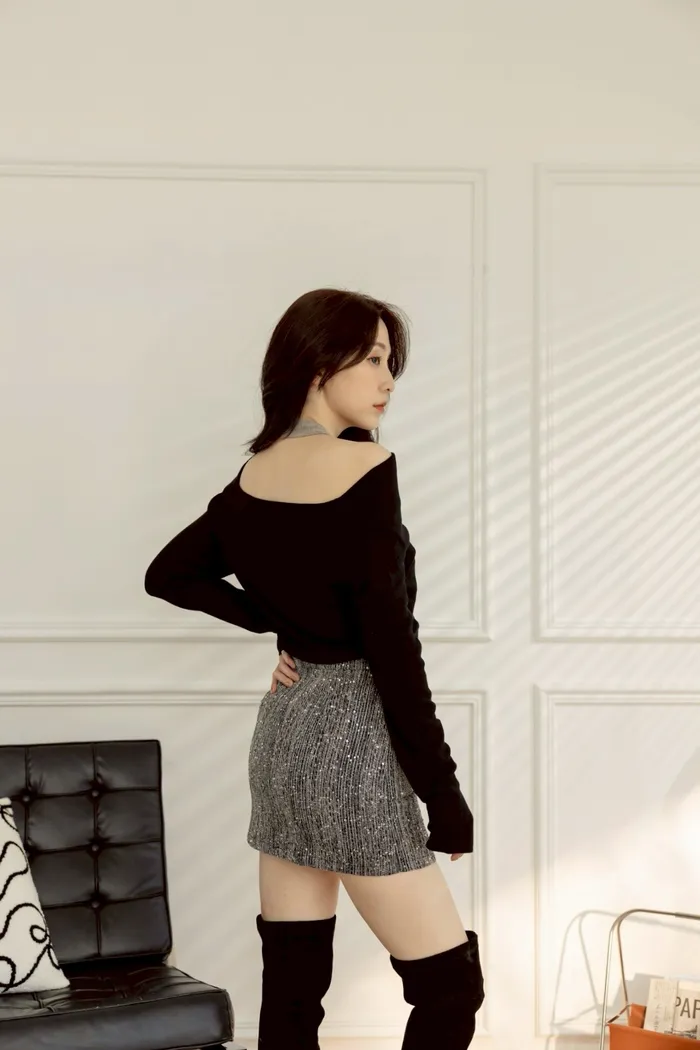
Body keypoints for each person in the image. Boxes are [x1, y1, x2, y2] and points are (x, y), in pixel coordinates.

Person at [144, 288, 484, 1049]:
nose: (388, 380)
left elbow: (168, 574)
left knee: (293, 989)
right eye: (374, 360)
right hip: (356, 739)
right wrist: (443, 793)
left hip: (286, 735)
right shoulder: (367, 466)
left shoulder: (253, 478)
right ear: (320, 363)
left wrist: (280, 625)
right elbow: (392, 650)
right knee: (450, 988)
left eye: (391, 363)